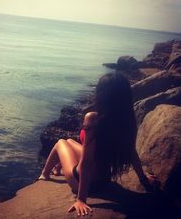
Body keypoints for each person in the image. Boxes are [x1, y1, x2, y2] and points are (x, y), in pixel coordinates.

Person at [38, 73, 158, 216]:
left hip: (83, 181)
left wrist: (81, 199)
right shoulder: (127, 120)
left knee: (61, 142)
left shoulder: (93, 118)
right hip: (104, 178)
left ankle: (44, 175)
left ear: (101, 95)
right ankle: (58, 168)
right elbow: (131, 151)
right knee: (70, 142)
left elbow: (87, 162)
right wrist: (143, 179)